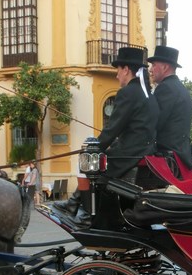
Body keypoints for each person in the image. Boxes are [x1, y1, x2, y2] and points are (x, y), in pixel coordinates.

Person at [54, 47, 158, 224]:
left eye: (118, 70)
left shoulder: (127, 93)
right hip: (144, 151)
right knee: (92, 159)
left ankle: (85, 213)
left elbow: (112, 129)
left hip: (130, 154)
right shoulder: (148, 94)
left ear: (126, 70)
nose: (117, 75)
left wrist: (93, 148)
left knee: (87, 161)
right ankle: (74, 205)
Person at [148, 46, 192, 173]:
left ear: (165, 67)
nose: (150, 69)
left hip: (168, 159)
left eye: (154, 65)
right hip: (179, 156)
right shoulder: (180, 88)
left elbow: (154, 123)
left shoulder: (166, 88)